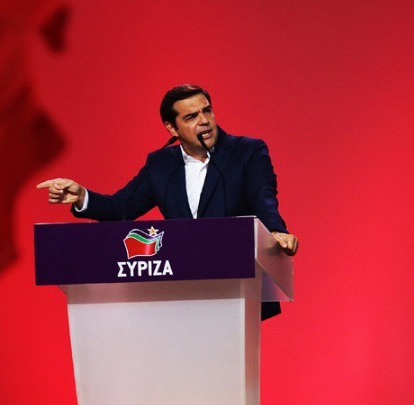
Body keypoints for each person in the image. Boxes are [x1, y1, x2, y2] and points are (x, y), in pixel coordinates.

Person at [37, 83, 298, 320]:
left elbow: (263, 196)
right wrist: (82, 196)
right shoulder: (161, 164)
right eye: (191, 117)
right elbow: (121, 208)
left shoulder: (247, 151)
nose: (204, 121)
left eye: (207, 111)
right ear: (172, 128)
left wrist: (276, 230)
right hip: (183, 288)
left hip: (238, 285)